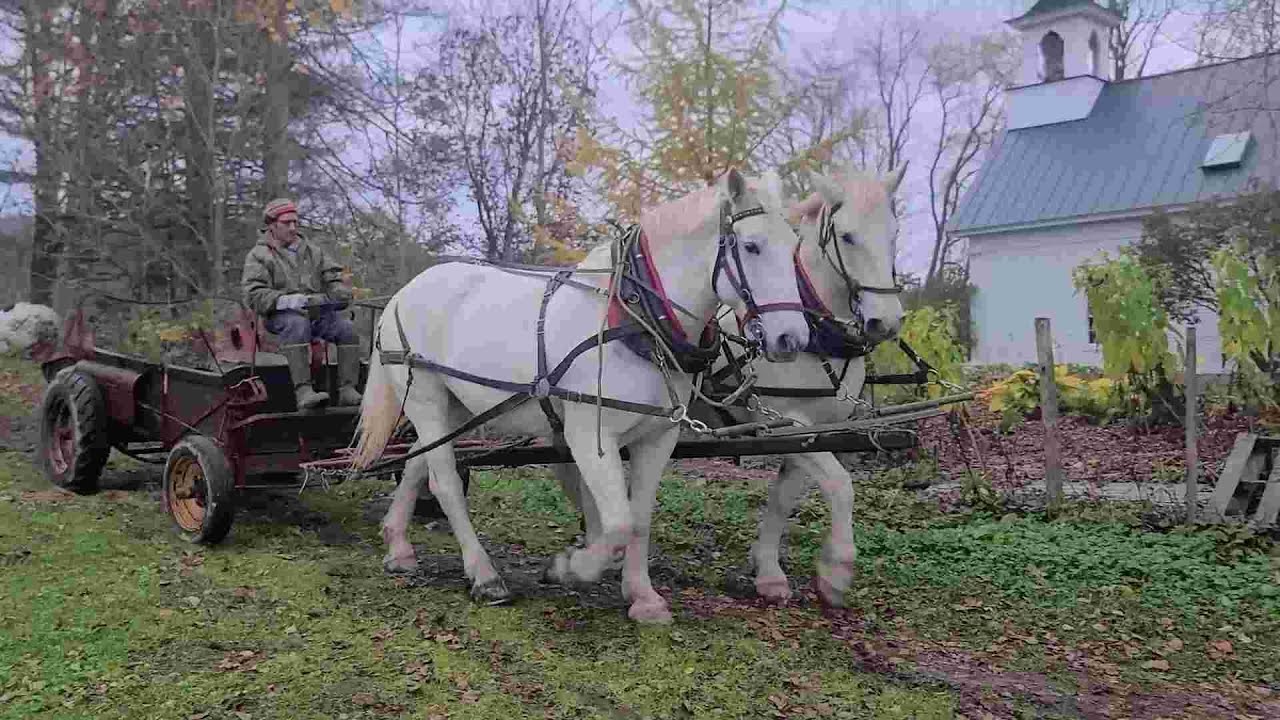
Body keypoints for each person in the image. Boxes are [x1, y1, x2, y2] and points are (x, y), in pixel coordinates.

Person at [241, 198, 362, 409]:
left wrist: (339, 293)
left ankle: (347, 390)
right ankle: (303, 392)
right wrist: (285, 300)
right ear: (271, 225)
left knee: (347, 329)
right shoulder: (259, 255)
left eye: (296, 222)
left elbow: (334, 278)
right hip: (279, 317)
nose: (293, 227)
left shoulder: (314, 252)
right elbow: (253, 294)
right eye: (287, 223)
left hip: (318, 313)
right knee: (297, 324)